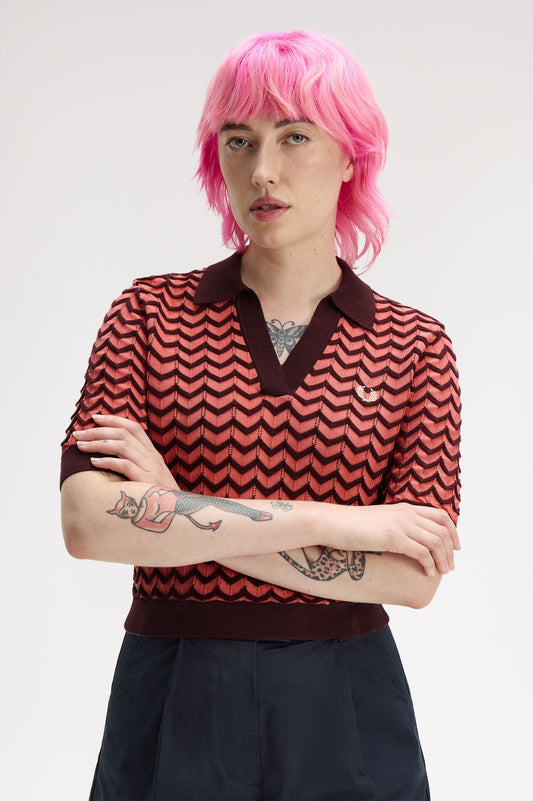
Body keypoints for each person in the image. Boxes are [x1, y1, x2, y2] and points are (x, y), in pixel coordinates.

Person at [60, 29, 461, 801]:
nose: (261, 170)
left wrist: (175, 503)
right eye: (237, 141)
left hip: (344, 702)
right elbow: (88, 523)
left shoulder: (413, 344)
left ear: (351, 157)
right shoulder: (148, 313)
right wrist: (341, 523)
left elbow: (411, 577)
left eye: (294, 137)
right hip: (173, 688)